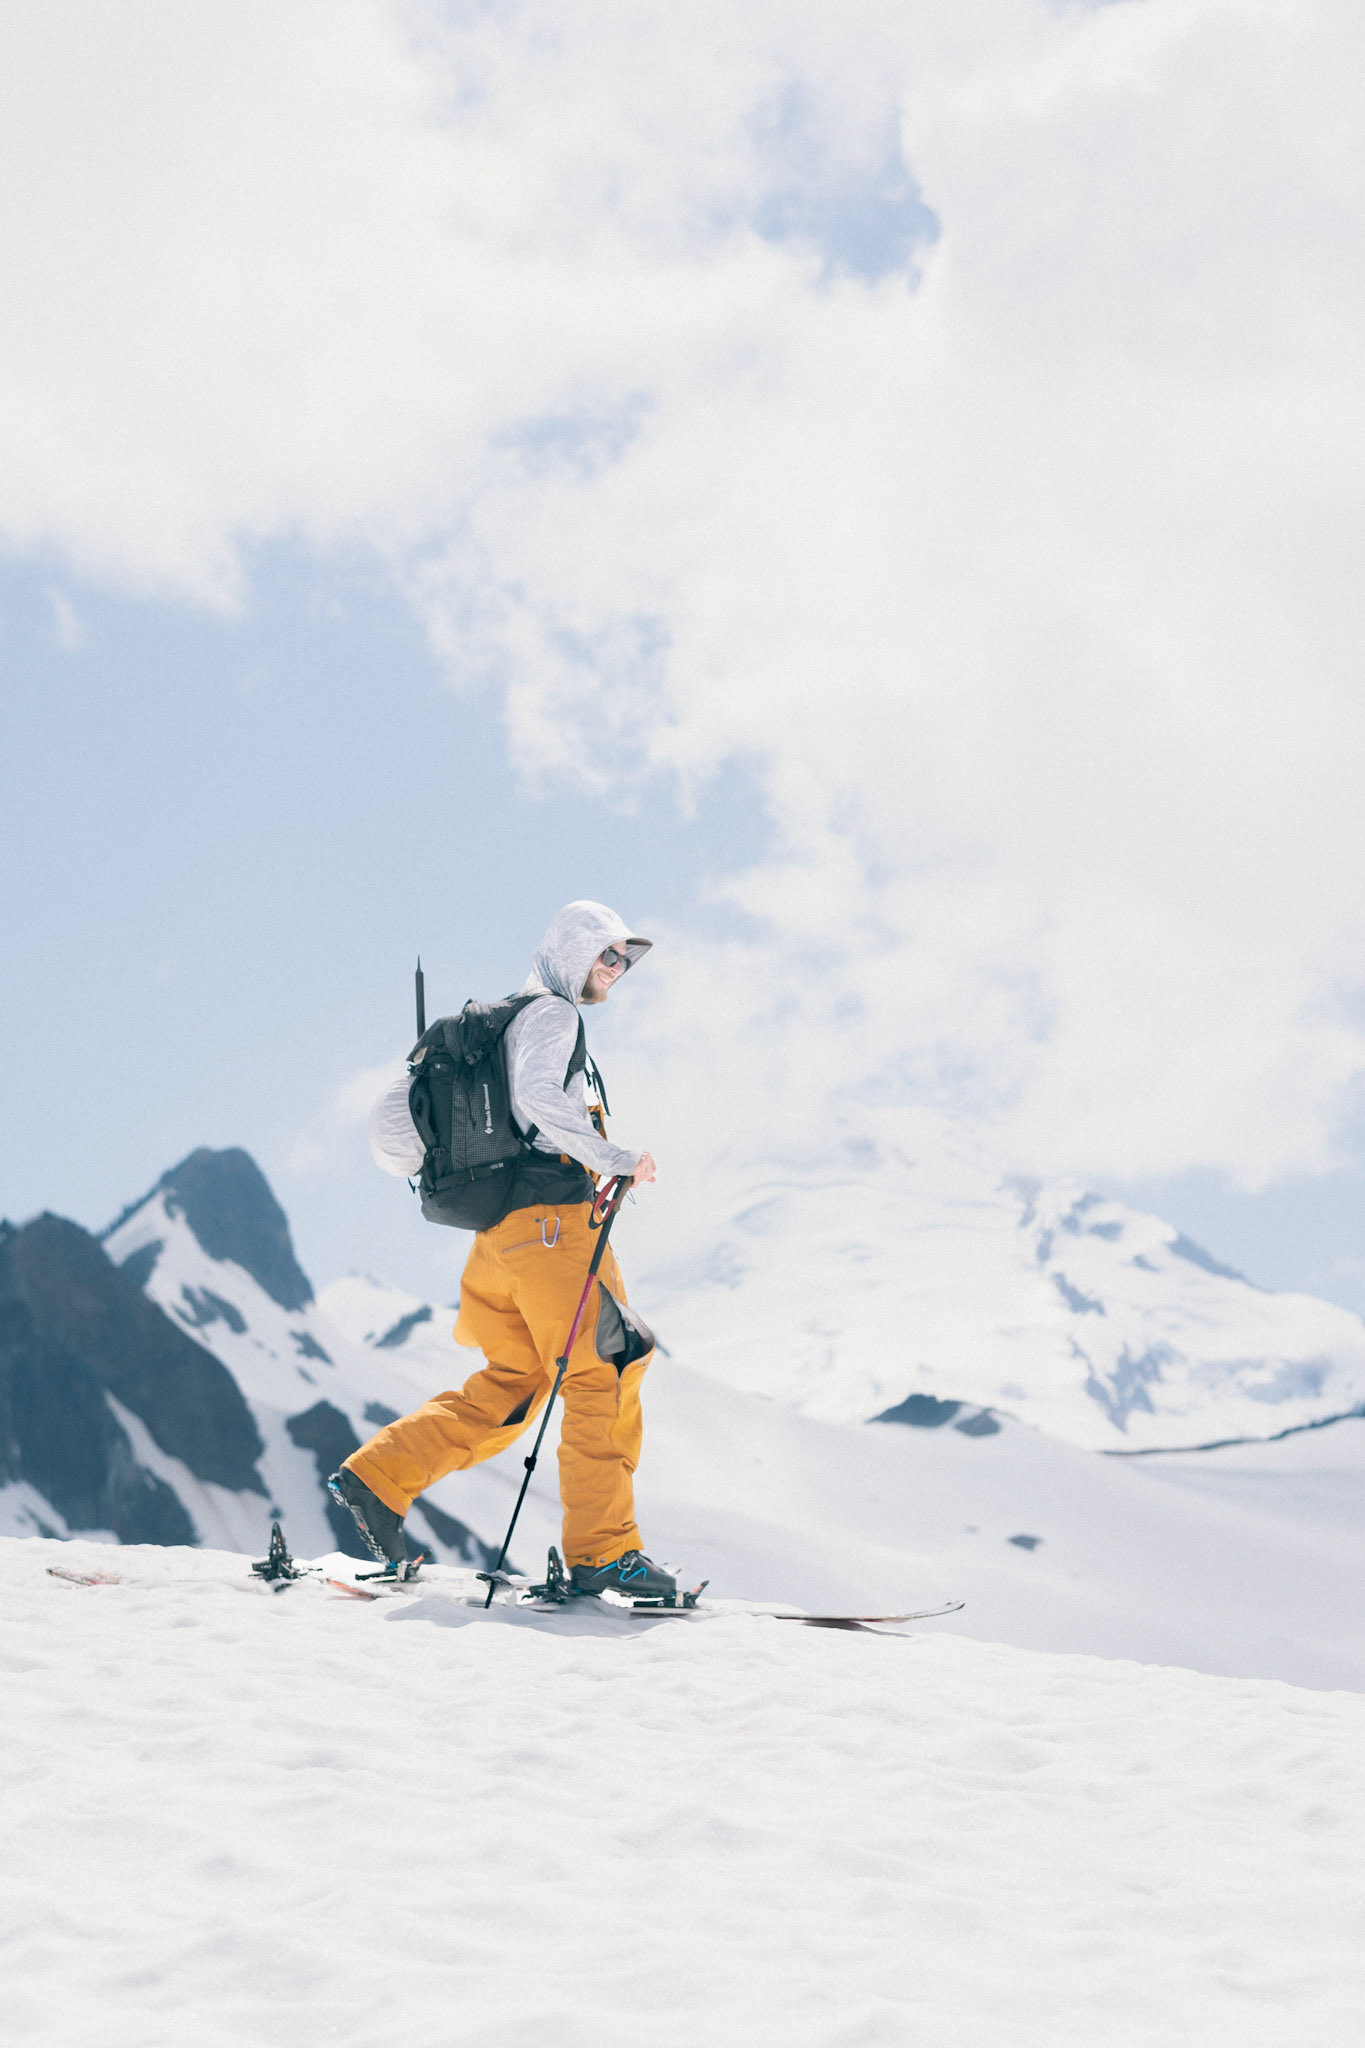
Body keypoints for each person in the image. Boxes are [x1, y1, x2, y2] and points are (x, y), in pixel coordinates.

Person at [331, 900, 674, 1599]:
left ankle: (380, 1477)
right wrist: (615, 1158)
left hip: (503, 1239)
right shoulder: (552, 1014)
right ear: (571, 951)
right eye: (606, 954)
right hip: (551, 1230)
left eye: (624, 959)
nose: (616, 969)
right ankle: (604, 1552)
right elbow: (541, 1101)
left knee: (515, 1381)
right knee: (603, 1367)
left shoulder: (512, 1018)